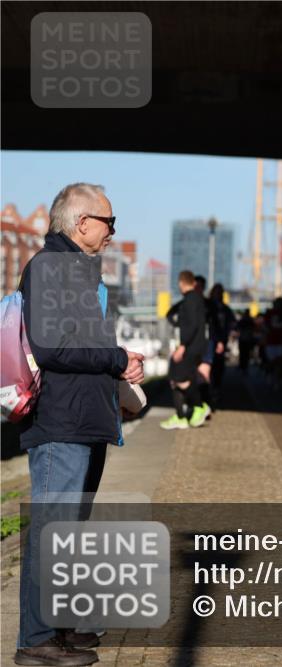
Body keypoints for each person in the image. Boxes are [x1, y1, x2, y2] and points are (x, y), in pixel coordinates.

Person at [16, 183, 144, 666]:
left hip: (85, 420)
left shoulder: (76, 271)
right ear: (81, 222)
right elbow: (51, 349)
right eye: (110, 221)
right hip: (60, 423)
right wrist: (114, 358)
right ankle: (36, 641)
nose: (114, 230)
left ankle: (64, 629)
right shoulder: (50, 268)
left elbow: (79, 345)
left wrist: (120, 367)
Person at [160, 271, 210, 430]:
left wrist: (182, 345)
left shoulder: (189, 300)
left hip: (190, 347)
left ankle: (199, 406)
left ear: (181, 283)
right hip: (196, 346)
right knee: (178, 379)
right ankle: (181, 416)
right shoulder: (197, 299)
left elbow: (192, 325)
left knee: (178, 377)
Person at [207, 283, 236, 398]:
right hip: (209, 340)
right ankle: (210, 389)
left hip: (221, 340)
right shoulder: (208, 306)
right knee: (209, 365)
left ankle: (215, 388)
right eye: (216, 292)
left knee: (218, 366)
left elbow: (232, 322)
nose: (218, 294)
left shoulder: (225, 309)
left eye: (220, 292)